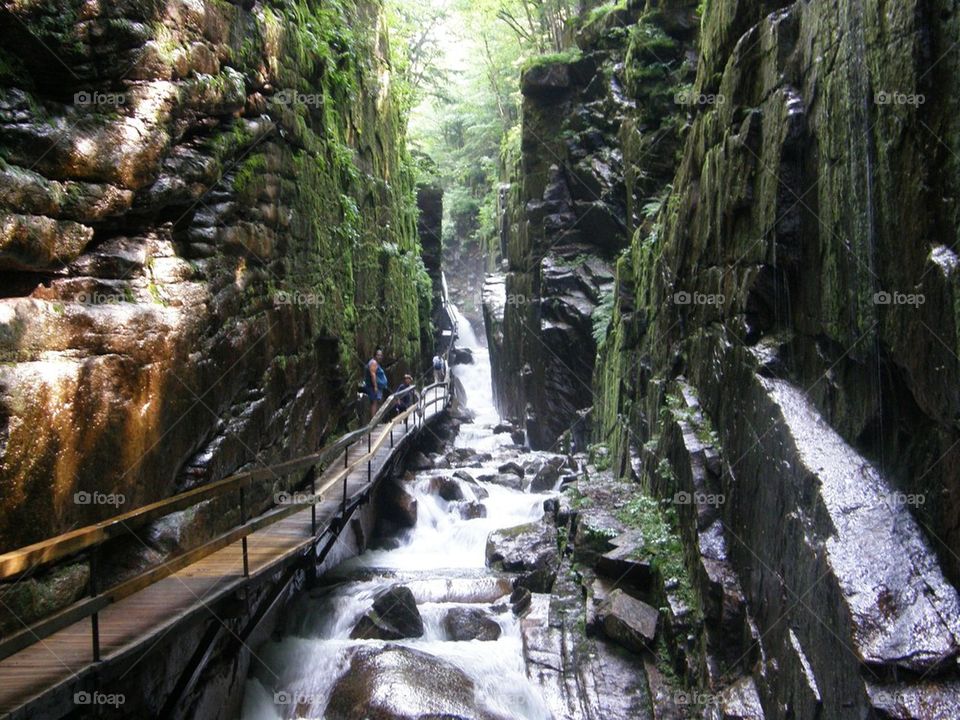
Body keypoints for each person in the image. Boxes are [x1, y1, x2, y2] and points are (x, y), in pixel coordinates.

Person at [365, 349, 388, 416]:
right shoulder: (373, 363)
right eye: (378, 355)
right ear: (375, 355)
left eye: (381, 355)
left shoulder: (376, 363)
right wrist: (375, 386)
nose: (380, 357)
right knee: (374, 402)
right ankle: (373, 421)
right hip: (372, 386)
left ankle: (375, 420)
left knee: (376, 402)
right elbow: (373, 374)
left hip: (376, 386)